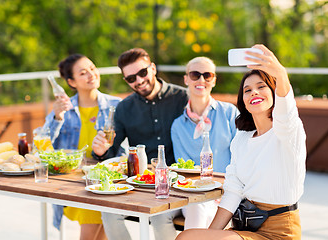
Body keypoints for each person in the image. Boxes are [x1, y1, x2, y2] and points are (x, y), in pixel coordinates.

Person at [176, 44, 306, 240]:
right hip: (246, 225)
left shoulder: (287, 132)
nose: (254, 92)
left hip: (280, 232)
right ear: (243, 100)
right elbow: (233, 191)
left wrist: (279, 72)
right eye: (247, 90)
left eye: (261, 87)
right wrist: (209, 236)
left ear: (273, 92)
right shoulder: (242, 138)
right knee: (187, 237)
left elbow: (287, 112)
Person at [92, 48, 188, 240]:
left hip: (180, 183)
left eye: (142, 72)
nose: (139, 80)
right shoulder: (124, 108)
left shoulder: (183, 98)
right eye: (131, 78)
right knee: (109, 212)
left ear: (153, 68)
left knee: (160, 216)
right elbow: (111, 152)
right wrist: (100, 152)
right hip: (141, 184)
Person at [44, 54, 121, 240]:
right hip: (74, 182)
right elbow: (43, 142)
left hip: (107, 179)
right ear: (71, 82)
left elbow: (124, 146)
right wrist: (57, 117)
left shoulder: (116, 106)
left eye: (93, 68)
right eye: (83, 73)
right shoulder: (64, 109)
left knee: (103, 224)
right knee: (96, 213)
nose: (91, 75)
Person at [171, 56, 238, 229]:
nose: (201, 80)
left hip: (228, 194)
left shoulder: (229, 113)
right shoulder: (178, 126)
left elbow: (241, 157)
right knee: (198, 208)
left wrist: (225, 192)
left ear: (213, 80)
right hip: (195, 195)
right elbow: (183, 169)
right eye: (195, 75)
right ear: (186, 79)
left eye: (207, 75)